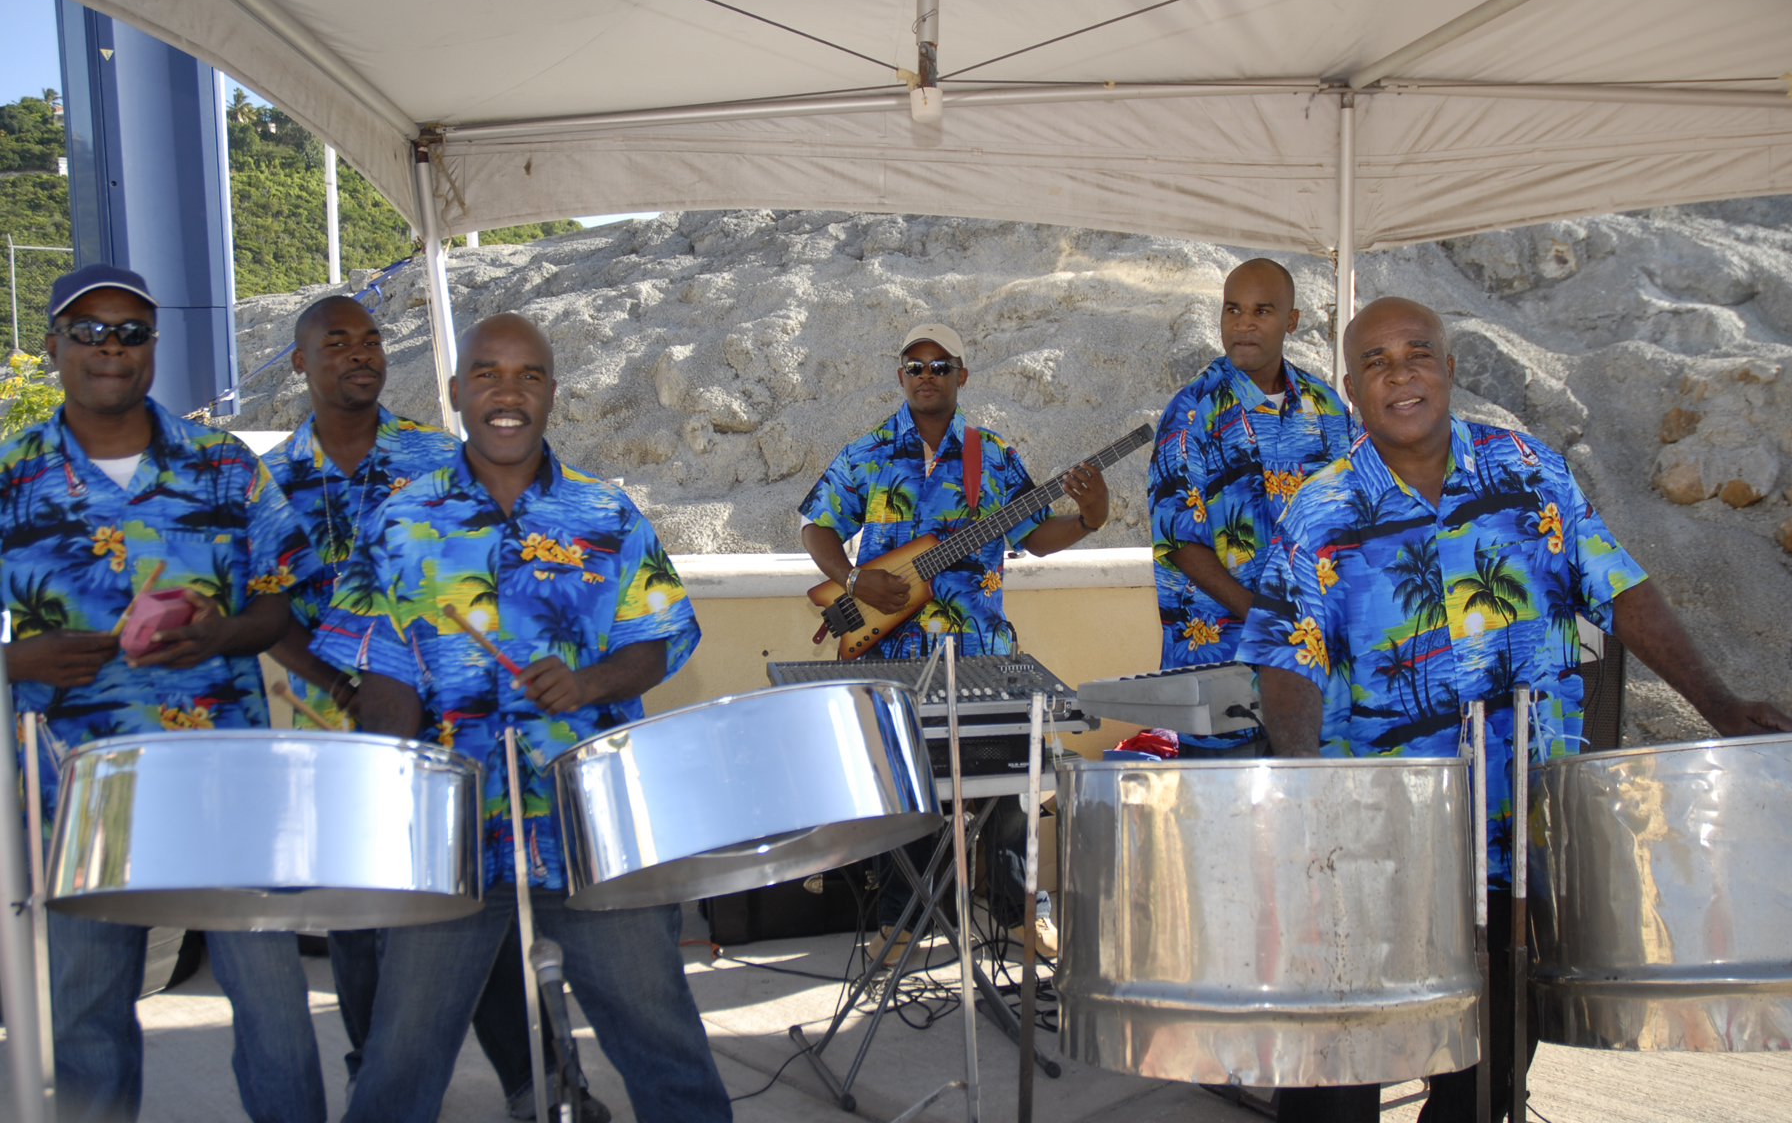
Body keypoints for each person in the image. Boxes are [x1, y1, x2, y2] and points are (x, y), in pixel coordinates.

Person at [1237, 296, 1792, 1123]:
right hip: (1380, 832)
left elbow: (1621, 590)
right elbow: (1289, 662)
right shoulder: (1319, 510)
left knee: (1488, 1073)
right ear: (1351, 389)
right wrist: (1303, 788)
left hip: (1519, 821)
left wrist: (1719, 703)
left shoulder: (1527, 471)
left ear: (1452, 368)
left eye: (1417, 353)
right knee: (1339, 1061)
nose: (1401, 375)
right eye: (1377, 363)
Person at [311, 313, 731, 1123]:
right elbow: (388, 679)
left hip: (589, 831)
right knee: (400, 1063)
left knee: (666, 1046)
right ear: (458, 391)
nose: (508, 393)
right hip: (455, 836)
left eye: (528, 375)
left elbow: (662, 637)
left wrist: (587, 680)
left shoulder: (605, 515)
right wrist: (374, 794)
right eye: (489, 374)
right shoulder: (400, 523)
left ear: (550, 392)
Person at [261, 295, 607, 1122]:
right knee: (362, 930)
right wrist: (349, 686)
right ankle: (373, 1081)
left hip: (455, 732)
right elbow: (265, 607)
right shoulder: (266, 479)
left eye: (372, 341)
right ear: (299, 365)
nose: (360, 355)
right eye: (336, 342)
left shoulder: (433, 456)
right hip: (329, 727)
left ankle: (542, 1082)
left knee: (465, 914)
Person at [0, 264, 326, 1123]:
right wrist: (17, 664)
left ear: (153, 347)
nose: (112, 348)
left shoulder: (223, 467)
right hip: (80, 793)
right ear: (54, 346)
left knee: (274, 1012)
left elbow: (281, 598)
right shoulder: (11, 475)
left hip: (225, 782)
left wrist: (220, 634)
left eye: (131, 332)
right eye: (90, 331)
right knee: (89, 1021)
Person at [798, 321, 1111, 962]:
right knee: (904, 792)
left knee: (1007, 787)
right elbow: (818, 528)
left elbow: (1035, 535)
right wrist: (855, 578)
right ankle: (900, 921)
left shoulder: (991, 455)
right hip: (892, 657)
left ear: (962, 376)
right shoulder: (866, 453)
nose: (926, 375)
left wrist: (1089, 518)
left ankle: (1018, 914)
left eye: (941, 366)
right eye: (914, 365)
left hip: (981, 653)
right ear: (900, 376)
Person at [1146, 258, 1355, 756]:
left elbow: (1351, 525)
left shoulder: (1327, 410)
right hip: (1221, 666)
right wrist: (1265, 621)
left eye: (1261, 311)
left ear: (1292, 321)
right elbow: (1177, 541)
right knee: (1223, 822)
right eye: (1232, 309)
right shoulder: (1192, 411)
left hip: (1314, 667)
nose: (1243, 323)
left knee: (1312, 814)